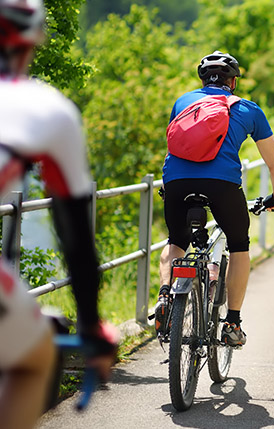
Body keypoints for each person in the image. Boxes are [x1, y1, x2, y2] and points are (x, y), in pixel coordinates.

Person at [0, 0, 118, 427]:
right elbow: (75, 236)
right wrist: (92, 327)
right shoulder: (45, 107)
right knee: (35, 358)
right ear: (31, 42)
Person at [156, 50, 274, 348]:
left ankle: (164, 295)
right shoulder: (248, 109)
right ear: (233, 81)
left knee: (175, 243)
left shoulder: (183, 102)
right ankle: (232, 323)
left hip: (176, 181)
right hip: (222, 185)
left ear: (202, 79)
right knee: (239, 245)